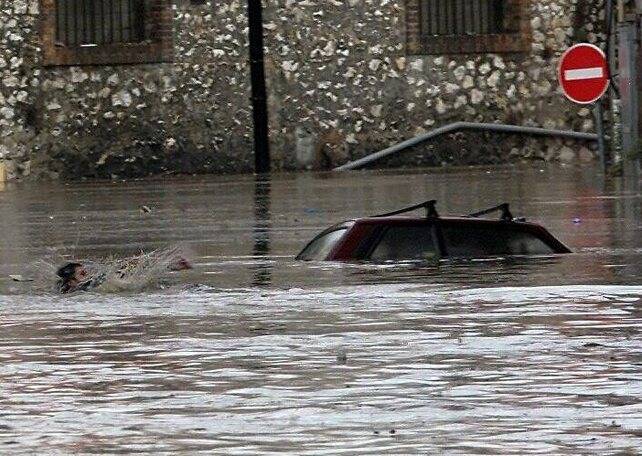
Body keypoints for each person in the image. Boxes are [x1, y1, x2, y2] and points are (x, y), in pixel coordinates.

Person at [56, 254, 193, 294]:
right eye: (83, 273)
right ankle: (173, 265)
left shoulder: (86, 286)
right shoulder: (83, 288)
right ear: (71, 281)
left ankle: (172, 265)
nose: (88, 275)